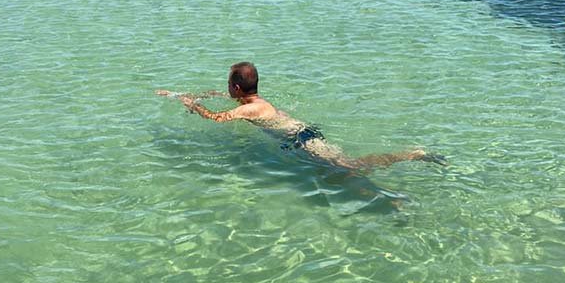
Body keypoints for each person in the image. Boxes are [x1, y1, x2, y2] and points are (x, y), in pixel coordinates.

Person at [156, 61, 445, 173]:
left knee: (351, 167)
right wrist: (182, 94)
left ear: (236, 88)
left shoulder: (247, 108)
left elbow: (218, 118)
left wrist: (192, 105)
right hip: (304, 135)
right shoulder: (253, 100)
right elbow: (220, 96)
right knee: (343, 172)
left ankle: (411, 155)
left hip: (304, 142)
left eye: (227, 85)